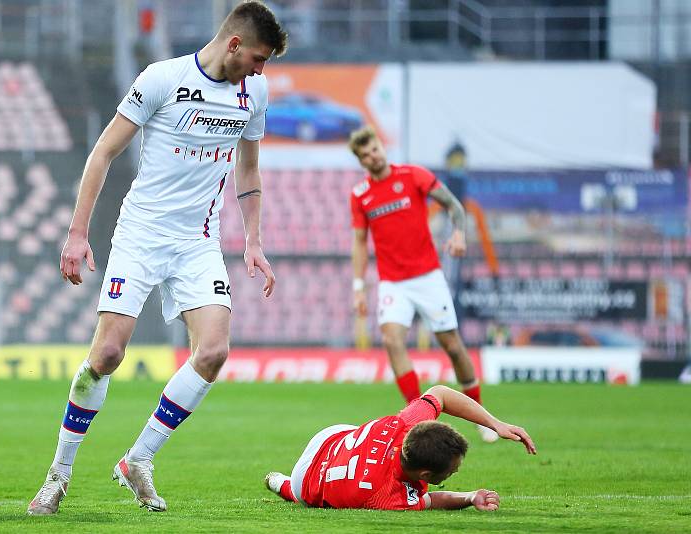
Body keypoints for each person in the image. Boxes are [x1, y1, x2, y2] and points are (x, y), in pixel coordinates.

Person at [28, 1, 287, 515]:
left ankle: (138, 459)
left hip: (199, 242)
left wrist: (253, 241)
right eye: (258, 58)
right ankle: (58, 473)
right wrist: (77, 234)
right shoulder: (162, 79)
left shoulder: (254, 92)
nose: (262, 70)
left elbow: (249, 170)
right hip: (141, 235)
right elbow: (103, 151)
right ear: (234, 44)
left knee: (213, 352)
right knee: (106, 356)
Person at [347, 126, 498, 443]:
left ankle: (481, 415)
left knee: (453, 346)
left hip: (428, 277)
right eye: (364, 154)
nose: (371, 156)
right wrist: (359, 285)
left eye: (373, 148)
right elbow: (360, 242)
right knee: (391, 341)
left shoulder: (413, 175)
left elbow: (455, 206)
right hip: (393, 283)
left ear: (380, 147)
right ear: (361, 161)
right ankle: (417, 419)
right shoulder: (360, 195)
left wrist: (458, 233)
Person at [264, 384, 536, 510]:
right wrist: (468, 497)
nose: (453, 474)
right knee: (302, 495)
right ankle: (280, 484)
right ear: (426, 475)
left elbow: (440, 392)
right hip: (307, 477)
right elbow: (429, 500)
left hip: (332, 436)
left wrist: (494, 424)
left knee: (364, 434)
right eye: (450, 473)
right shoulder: (387, 497)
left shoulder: (407, 424)